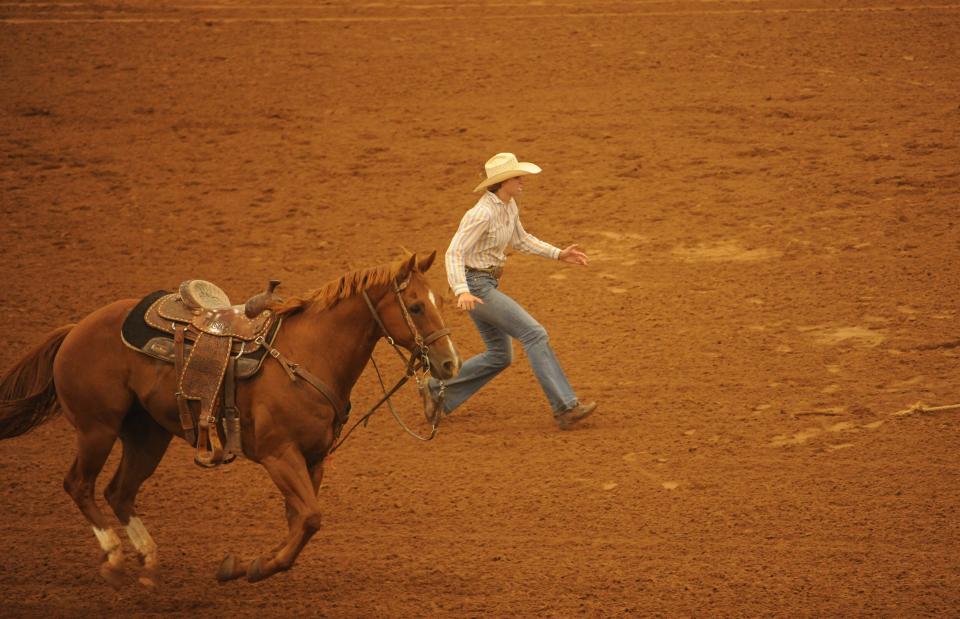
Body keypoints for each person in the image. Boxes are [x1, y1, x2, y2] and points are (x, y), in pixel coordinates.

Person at [421, 152, 597, 430]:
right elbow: (454, 252)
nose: (522, 180)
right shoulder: (480, 214)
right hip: (476, 288)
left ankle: (436, 388)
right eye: (517, 177)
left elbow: (521, 239)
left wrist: (558, 254)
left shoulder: (508, 205)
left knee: (500, 355)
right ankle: (565, 407)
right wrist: (461, 291)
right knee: (534, 333)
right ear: (502, 182)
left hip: (486, 284)